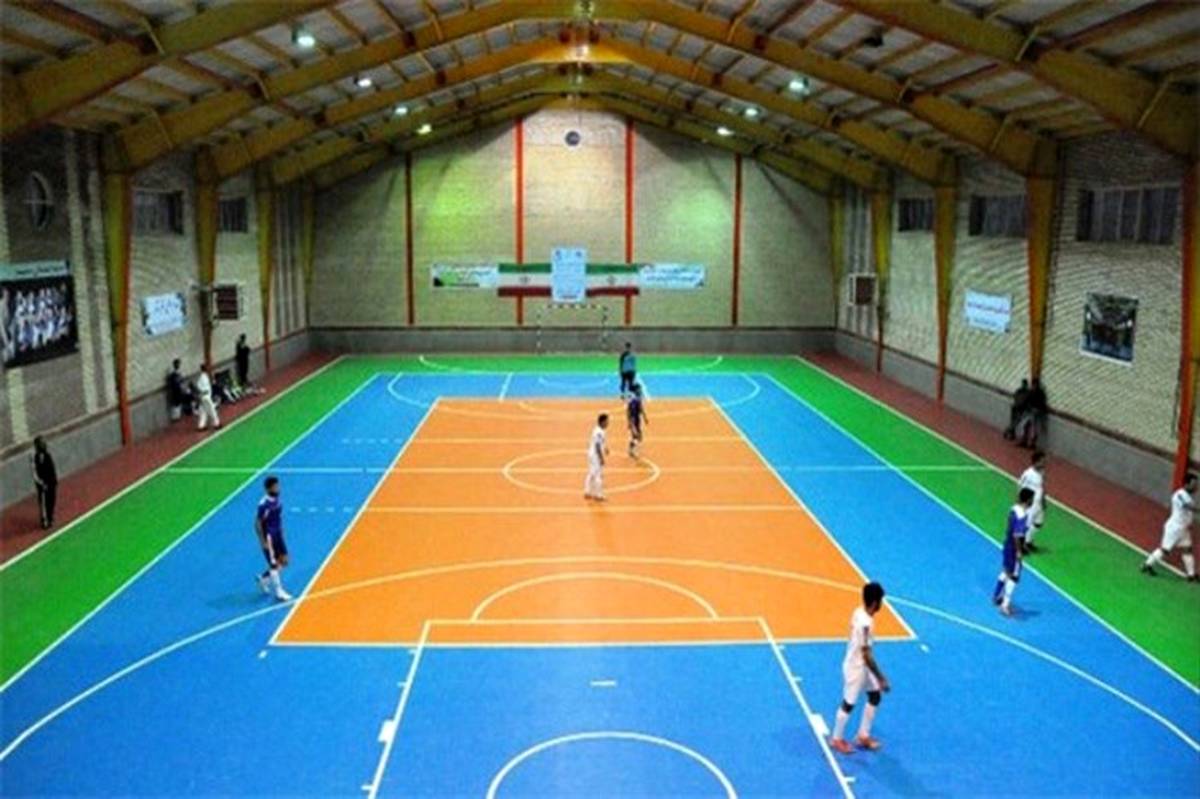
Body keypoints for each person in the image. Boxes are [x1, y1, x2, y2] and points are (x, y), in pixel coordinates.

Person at [829, 581, 891, 755]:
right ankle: (836, 738)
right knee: (848, 704)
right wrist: (881, 677)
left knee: (875, 696)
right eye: (881, 600)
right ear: (875, 602)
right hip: (856, 668)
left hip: (862, 666)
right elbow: (866, 655)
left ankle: (863, 735)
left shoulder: (859, 611)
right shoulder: (866, 624)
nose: (881, 604)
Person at [1141, 473, 1198, 581]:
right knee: (1165, 550)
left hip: (1183, 529)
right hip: (1175, 528)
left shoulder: (1188, 496)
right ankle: (1147, 565)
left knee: (1187, 549)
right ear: (1186, 484)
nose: (1196, 487)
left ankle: (1191, 575)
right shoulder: (1179, 494)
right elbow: (1187, 506)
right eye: (1194, 484)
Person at [993, 487, 1035, 616]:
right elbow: (1017, 535)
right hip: (1014, 548)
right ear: (1028, 500)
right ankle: (1005, 606)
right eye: (1032, 499)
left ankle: (996, 596)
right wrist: (1019, 551)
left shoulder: (1014, 509)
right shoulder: (1022, 515)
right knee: (1014, 576)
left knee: (1006, 570)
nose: (1033, 501)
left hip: (1007, 545)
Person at [255, 476, 292, 601]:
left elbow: (277, 517)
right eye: (275, 487)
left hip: (278, 534)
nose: (278, 488)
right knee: (274, 564)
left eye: (278, 486)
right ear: (268, 489)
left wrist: (281, 530)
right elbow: (257, 523)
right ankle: (279, 591)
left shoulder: (277, 500)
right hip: (269, 536)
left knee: (285, 561)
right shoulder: (263, 505)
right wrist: (263, 541)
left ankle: (264, 578)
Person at [1018, 451, 1048, 554]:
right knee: (1026, 524)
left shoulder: (1042, 472)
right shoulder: (1028, 474)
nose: (1044, 463)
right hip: (1030, 503)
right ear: (1036, 462)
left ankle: (1029, 541)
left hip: (1039, 503)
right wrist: (1021, 503)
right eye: (1042, 461)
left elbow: (1042, 487)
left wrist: (1044, 500)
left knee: (1038, 523)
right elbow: (1020, 486)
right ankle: (1021, 546)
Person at [31, 436, 58, 530]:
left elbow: (52, 469)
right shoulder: (35, 458)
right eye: (41, 443)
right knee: (44, 503)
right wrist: (42, 483)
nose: (43, 445)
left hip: (51, 483)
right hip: (43, 485)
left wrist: (54, 481)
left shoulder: (47, 455)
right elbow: (35, 473)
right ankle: (45, 521)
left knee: (52, 501)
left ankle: (50, 517)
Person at [585, 413, 609, 501]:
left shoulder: (598, 430)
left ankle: (587, 492)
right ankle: (598, 495)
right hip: (595, 455)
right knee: (598, 474)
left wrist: (605, 448)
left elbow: (601, 442)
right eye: (606, 421)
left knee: (591, 473)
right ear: (602, 422)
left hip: (591, 454)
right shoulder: (599, 432)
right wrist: (601, 458)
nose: (608, 423)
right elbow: (597, 446)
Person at [194, 364, 220, 432]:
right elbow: (205, 388)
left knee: (203, 412)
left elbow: (198, 386)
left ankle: (201, 426)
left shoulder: (201, 377)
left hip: (203, 397)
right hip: (206, 397)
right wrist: (204, 392)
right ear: (205, 369)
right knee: (212, 410)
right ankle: (216, 424)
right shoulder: (204, 377)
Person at [627, 383, 648, 458]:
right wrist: (631, 424)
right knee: (637, 436)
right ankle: (632, 450)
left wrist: (645, 417)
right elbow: (631, 413)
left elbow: (641, 408)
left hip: (637, 420)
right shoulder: (633, 401)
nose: (640, 390)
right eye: (639, 389)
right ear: (636, 390)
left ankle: (631, 449)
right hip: (634, 421)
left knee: (638, 437)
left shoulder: (638, 398)